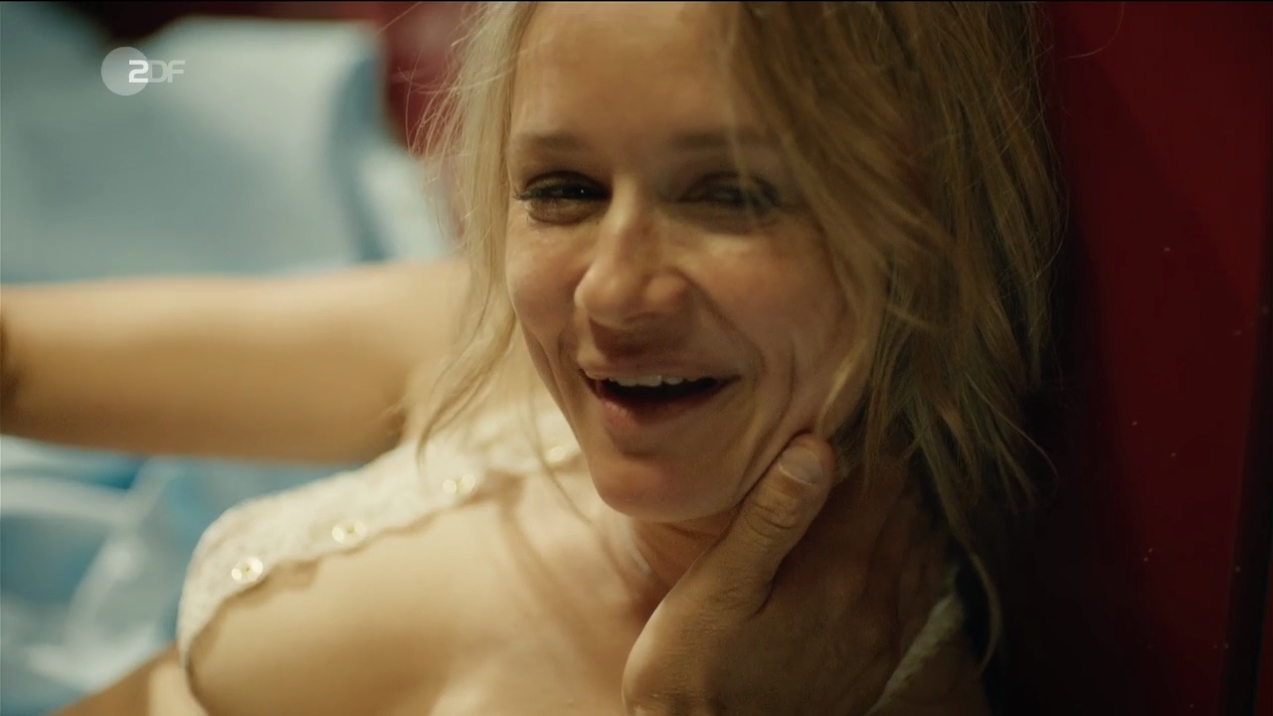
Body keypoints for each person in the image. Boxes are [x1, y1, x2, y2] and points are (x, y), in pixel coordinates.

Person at [3, 1, 1060, 713]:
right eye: (563, 189)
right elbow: (21, 364)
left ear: (922, 227)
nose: (612, 291)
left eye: (730, 195)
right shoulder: (486, 346)